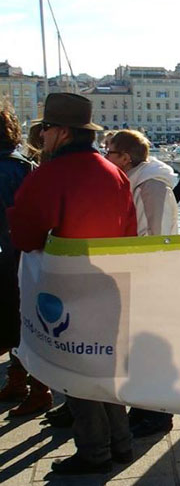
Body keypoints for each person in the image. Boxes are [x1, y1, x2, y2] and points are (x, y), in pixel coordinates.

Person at [8, 92, 137, 475]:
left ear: (61, 132)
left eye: (45, 129)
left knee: (75, 370)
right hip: (110, 286)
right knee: (106, 369)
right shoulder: (115, 173)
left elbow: (26, 236)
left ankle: (95, 451)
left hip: (68, 290)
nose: (42, 136)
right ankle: (122, 444)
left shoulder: (49, 174)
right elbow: (130, 234)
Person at [106, 129, 178, 438]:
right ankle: (143, 409)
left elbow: (158, 233)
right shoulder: (135, 180)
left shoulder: (150, 184)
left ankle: (157, 415)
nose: (105, 156)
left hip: (152, 275)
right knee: (139, 347)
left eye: (110, 151)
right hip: (141, 272)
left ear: (125, 157)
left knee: (150, 347)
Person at [0, 109, 39, 415]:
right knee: (25, 319)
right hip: (23, 255)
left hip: (7, 253)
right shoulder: (27, 167)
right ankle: (29, 382)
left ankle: (19, 382)